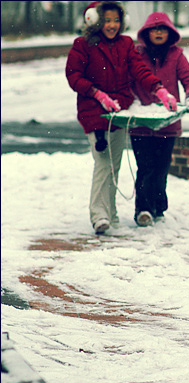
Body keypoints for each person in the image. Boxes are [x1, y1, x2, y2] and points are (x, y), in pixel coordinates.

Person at [65, 1, 177, 235]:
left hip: (118, 111)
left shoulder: (126, 44)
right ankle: (99, 215)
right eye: (107, 20)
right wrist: (97, 93)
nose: (112, 25)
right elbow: (73, 76)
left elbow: (140, 70)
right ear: (94, 20)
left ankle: (111, 215)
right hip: (94, 111)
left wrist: (159, 89)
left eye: (116, 20)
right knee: (104, 163)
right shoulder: (82, 45)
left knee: (114, 165)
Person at [128, 12, 189, 227]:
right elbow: (128, 80)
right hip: (141, 121)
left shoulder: (177, 55)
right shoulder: (136, 54)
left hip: (168, 122)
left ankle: (159, 205)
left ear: (170, 33)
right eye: (154, 29)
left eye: (163, 29)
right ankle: (143, 209)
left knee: (160, 167)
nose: (158, 33)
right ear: (146, 33)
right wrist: (132, 102)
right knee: (145, 166)